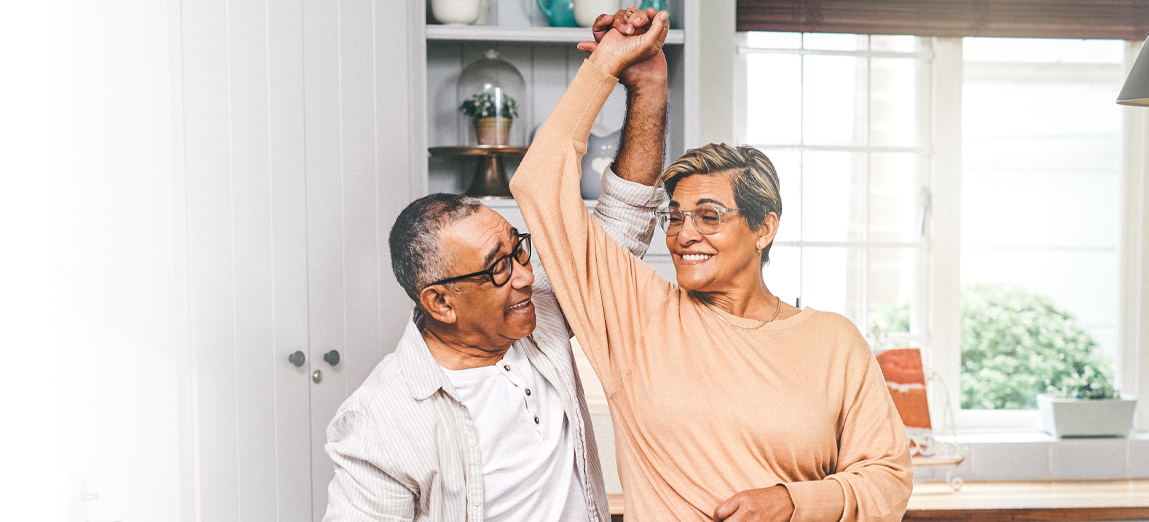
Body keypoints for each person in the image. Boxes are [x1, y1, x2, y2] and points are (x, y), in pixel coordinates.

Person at [511, 9, 913, 522]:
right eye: (674, 217)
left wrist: (791, 501)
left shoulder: (835, 342)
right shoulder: (635, 315)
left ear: (763, 228)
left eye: (709, 216)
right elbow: (539, 183)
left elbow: (889, 479)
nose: (684, 235)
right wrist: (608, 67)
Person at [319, 9, 672, 522]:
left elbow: (622, 221)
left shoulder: (537, 314)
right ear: (439, 302)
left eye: (518, 249)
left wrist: (647, 86)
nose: (525, 275)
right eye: (496, 269)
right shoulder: (381, 421)